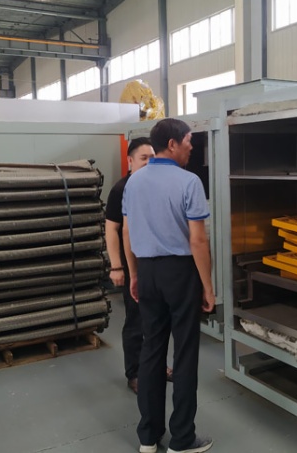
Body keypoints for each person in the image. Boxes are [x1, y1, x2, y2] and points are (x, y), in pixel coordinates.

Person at [122, 118, 215, 453]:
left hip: (147, 271)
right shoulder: (189, 182)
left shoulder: (134, 181)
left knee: (151, 350)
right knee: (185, 353)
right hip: (180, 273)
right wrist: (208, 287)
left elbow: (127, 231)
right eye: (189, 141)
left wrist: (134, 274)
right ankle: (182, 438)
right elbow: (198, 241)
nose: (192, 147)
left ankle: (148, 437)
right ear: (173, 144)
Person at [105, 137, 167, 395]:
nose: (149, 163)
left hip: (156, 264)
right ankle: (135, 373)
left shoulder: (156, 186)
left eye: (152, 158)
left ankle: (157, 366)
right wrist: (116, 267)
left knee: (158, 319)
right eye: (143, 158)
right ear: (130, 161)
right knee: (136, 321)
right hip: (133, 266)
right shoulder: (121, 189)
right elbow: (112, 230)